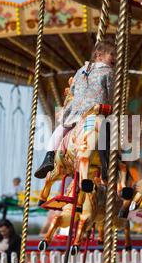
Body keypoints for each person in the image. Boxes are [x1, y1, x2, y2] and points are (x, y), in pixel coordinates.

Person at [33, 39, 116, 179]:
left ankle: (49, 157)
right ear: (99, 55)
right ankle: (106, 165)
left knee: (60, 130)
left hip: (75, 111)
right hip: (96, 110)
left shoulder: (81, 70)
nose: (115, 58)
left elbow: (73, 89)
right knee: (107, 131)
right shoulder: (108, 72)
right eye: (112, 54)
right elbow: (112, 93)